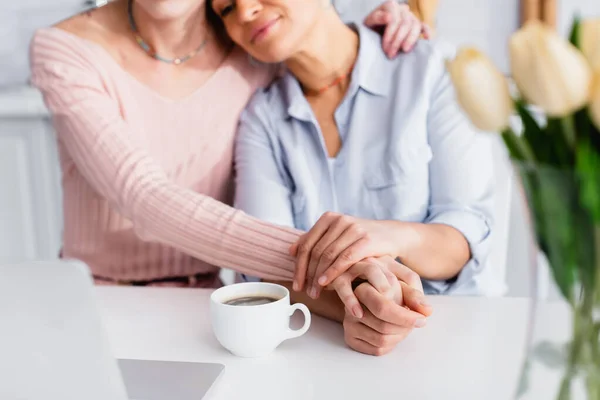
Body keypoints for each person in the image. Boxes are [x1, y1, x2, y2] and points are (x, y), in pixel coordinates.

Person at [29, 0, 432, 355]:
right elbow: (143, 197)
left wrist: (378, 29)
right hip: (94, 300)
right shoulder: (64, 49)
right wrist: (328, 258)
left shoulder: (250, 45)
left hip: (212, 305)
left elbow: (312, 31)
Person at [209, 0, 496, 351]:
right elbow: (267, 261)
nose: (244, 12)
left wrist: (387, 236)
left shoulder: (434, 69)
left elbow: (467, 234)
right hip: (328, 344)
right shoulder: (261, 119)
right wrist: (360, 307)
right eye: (225, 9)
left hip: (458, 332)